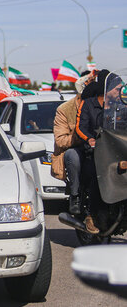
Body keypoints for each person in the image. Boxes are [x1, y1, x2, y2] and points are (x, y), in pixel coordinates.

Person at [75, 69, 110, 234]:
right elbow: (80, 127)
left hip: (114, 151)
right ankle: (91, 215)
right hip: (94, 152)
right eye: (115, 87)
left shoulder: (118, 106)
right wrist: (90, 139)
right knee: (99, 177)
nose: (119, 90)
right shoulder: (88, 104)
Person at [51, 73, 91, 215]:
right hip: (79, 148)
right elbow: (60, 140)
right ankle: (75, 195)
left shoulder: (105, 105)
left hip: (100, 149)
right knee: (72, 155)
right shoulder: (65, 110)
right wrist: (81, 137)